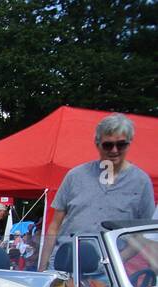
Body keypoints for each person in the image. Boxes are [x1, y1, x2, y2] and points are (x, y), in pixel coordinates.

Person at [40, 113, 156, 269]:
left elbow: (144, 233)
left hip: (108, 275)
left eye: (121, 144)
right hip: (64, 264)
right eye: (108, 145)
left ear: (129, 144)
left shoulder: (141, 182)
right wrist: (43, 266)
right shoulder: (75, 175)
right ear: (97, 144)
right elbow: (54, 225)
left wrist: (116, 260)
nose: (114, 150)